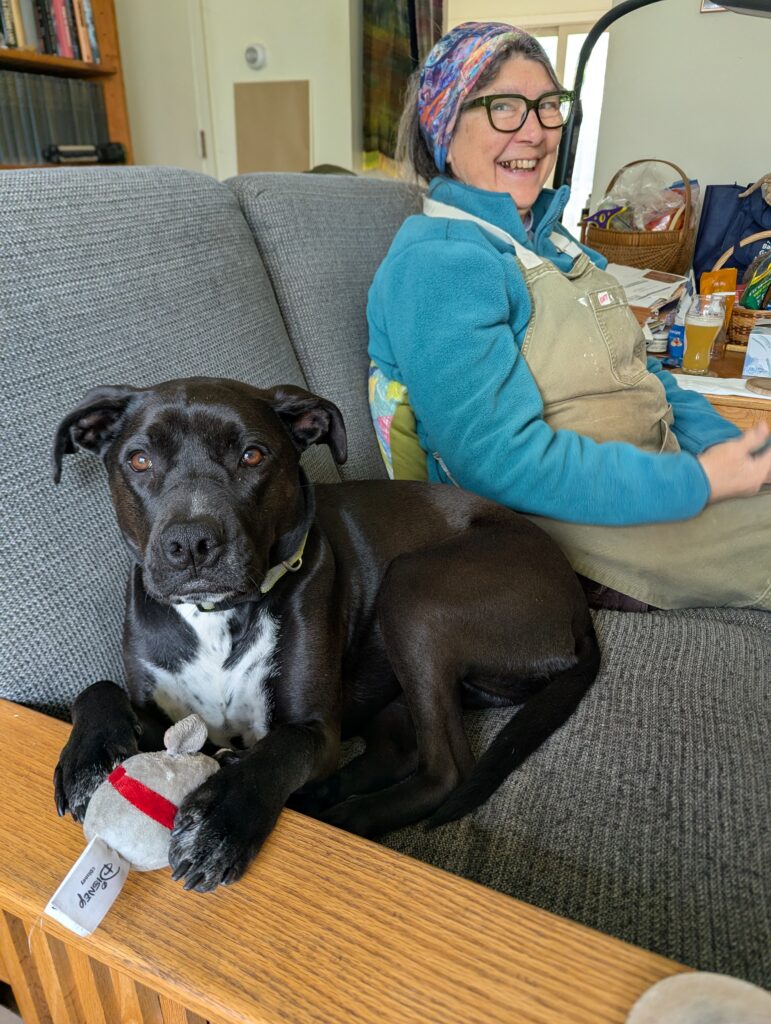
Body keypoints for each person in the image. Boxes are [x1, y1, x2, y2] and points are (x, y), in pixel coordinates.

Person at [367, 21, 771, 611]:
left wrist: (736, 451)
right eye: (503, 107)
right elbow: (499, 464)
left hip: (649, 483)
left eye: (547, 106)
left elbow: (646, 378)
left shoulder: (556, 243)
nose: (533, 131)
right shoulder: (440, 263)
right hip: (559, 528)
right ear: (444, 131)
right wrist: (700, 482)